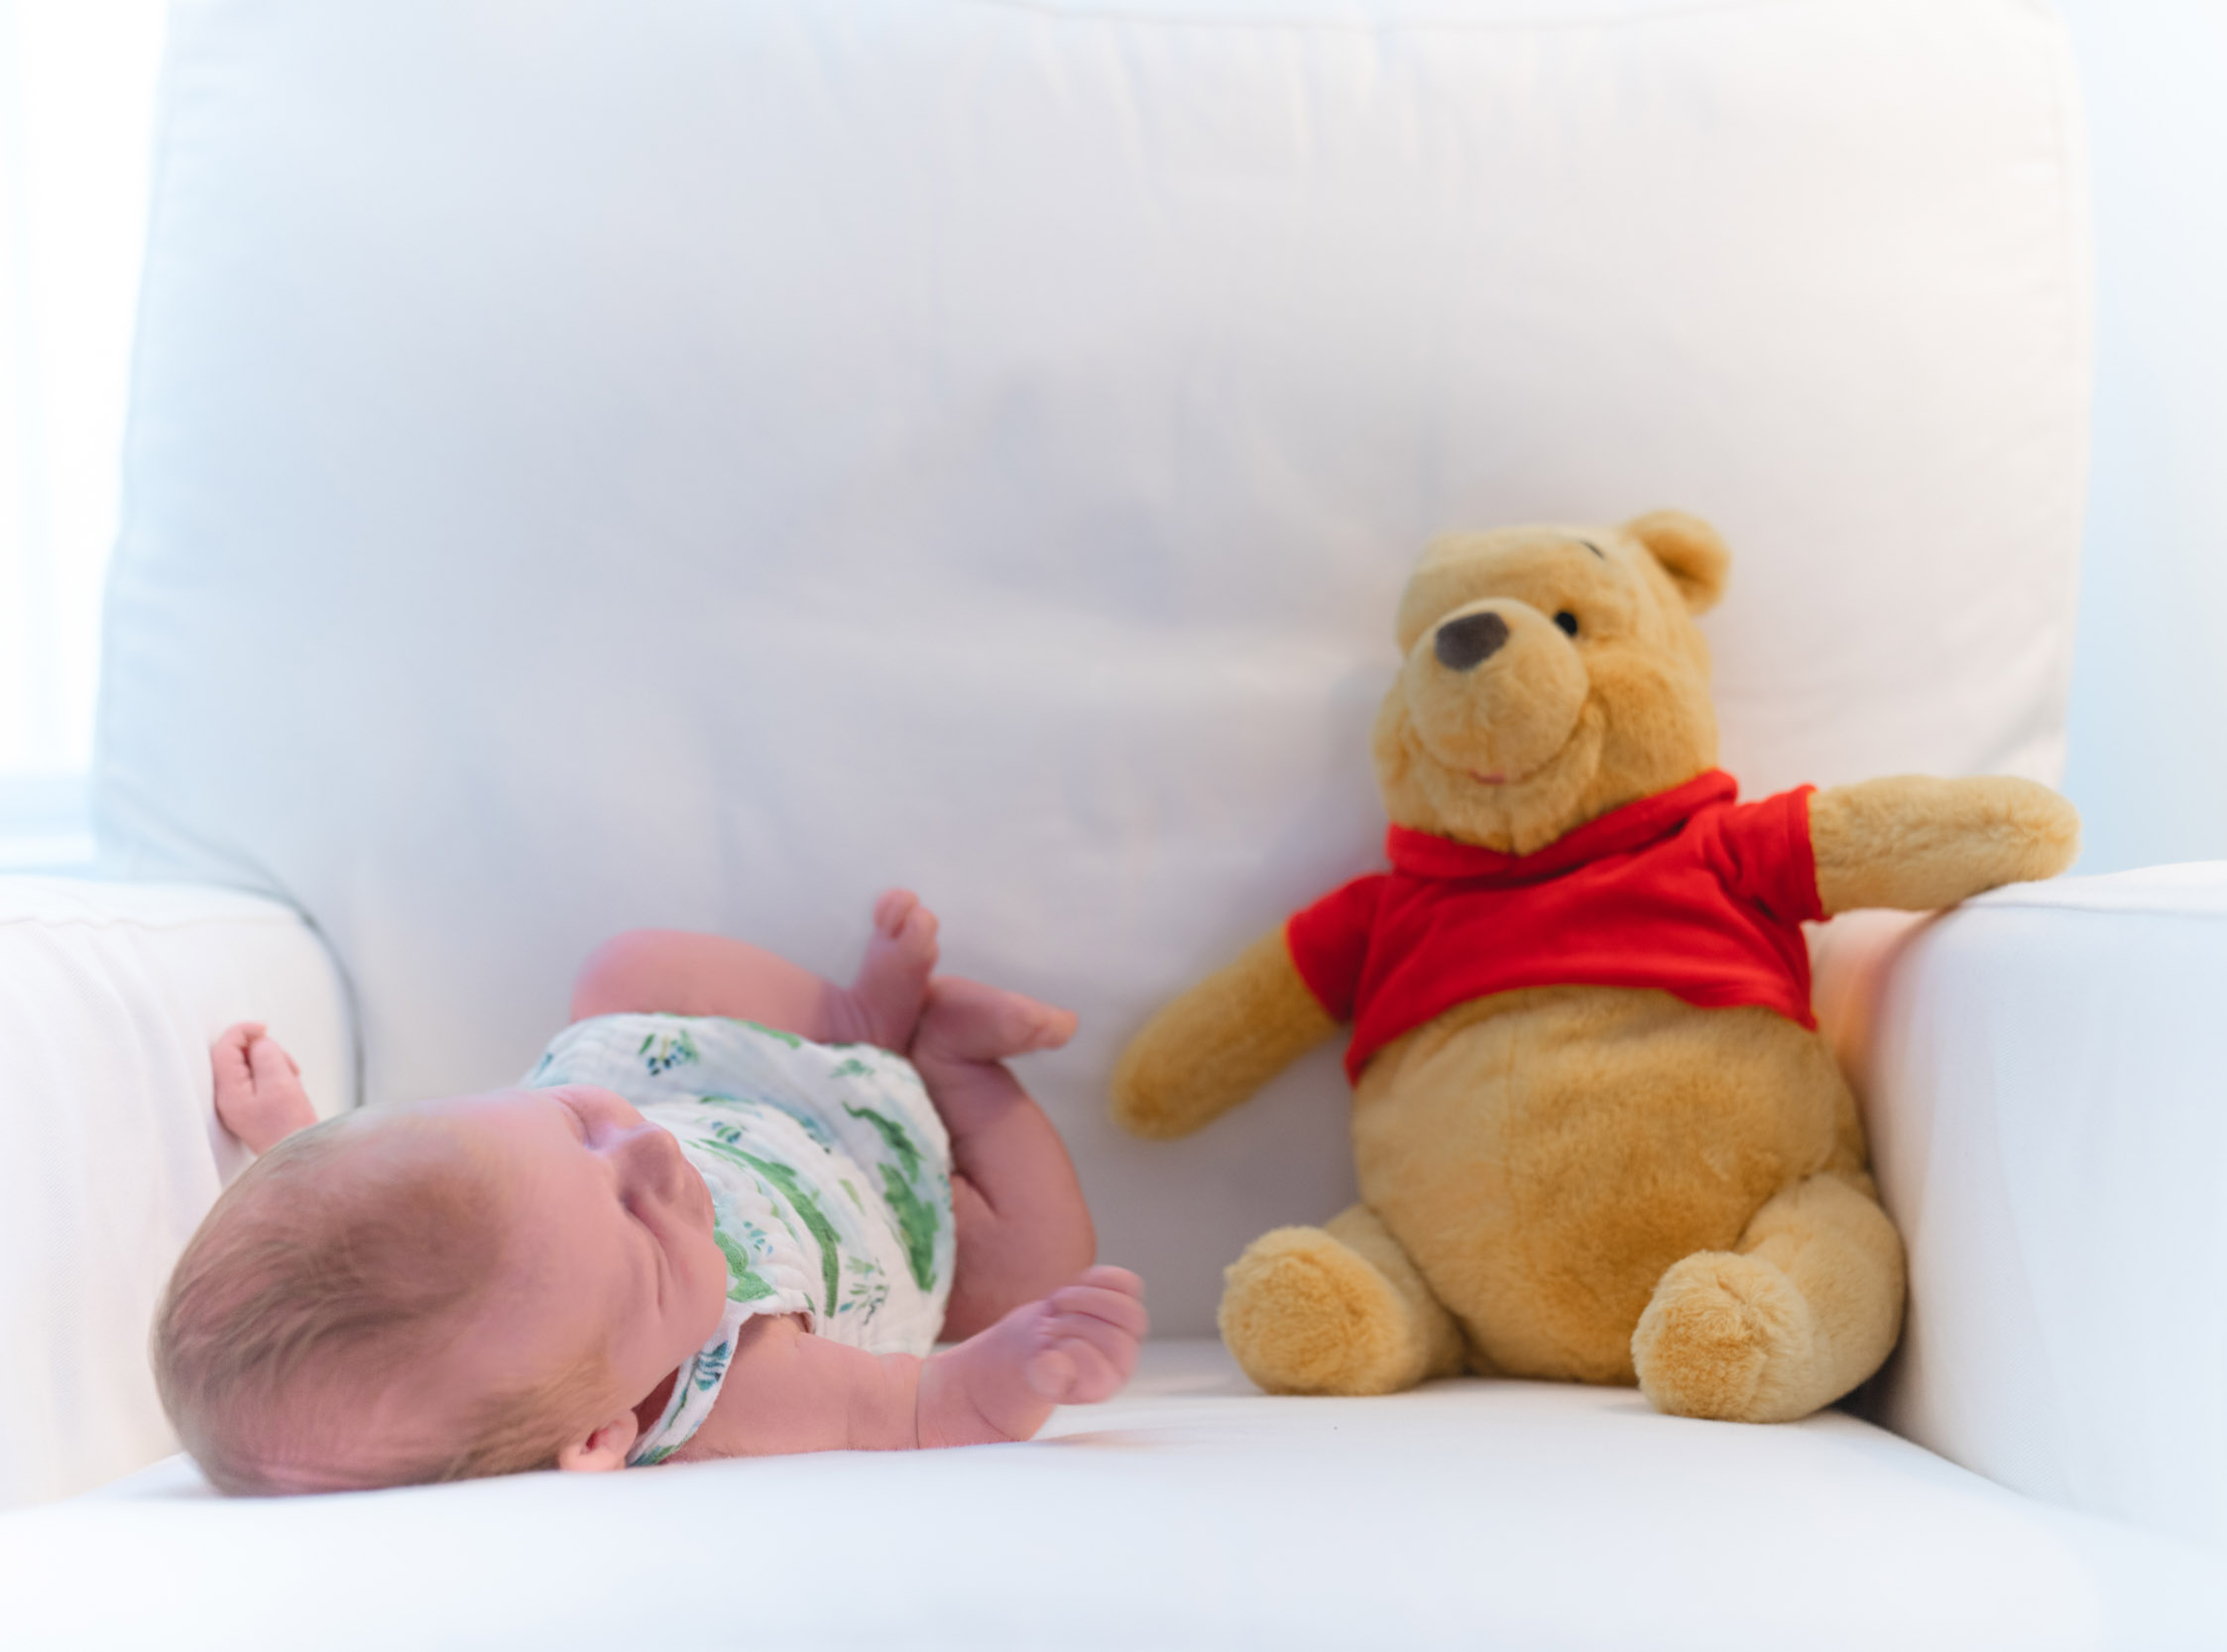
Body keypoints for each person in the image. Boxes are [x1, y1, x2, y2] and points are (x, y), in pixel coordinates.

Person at [154, 891, 1144, 1493]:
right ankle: (959, 1068)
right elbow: (930, 1404)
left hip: (714, 1080)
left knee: (624, 970)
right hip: (902, 1198)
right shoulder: (736, 1387)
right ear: (602, 1431)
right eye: (634, 1216)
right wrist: (1023, 1364)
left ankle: (855, 1019)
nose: (653, 1155)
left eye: (577, 1124)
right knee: (1028, 1270)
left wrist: (296, 1140)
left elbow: (383, 1232)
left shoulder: (562, 1180)